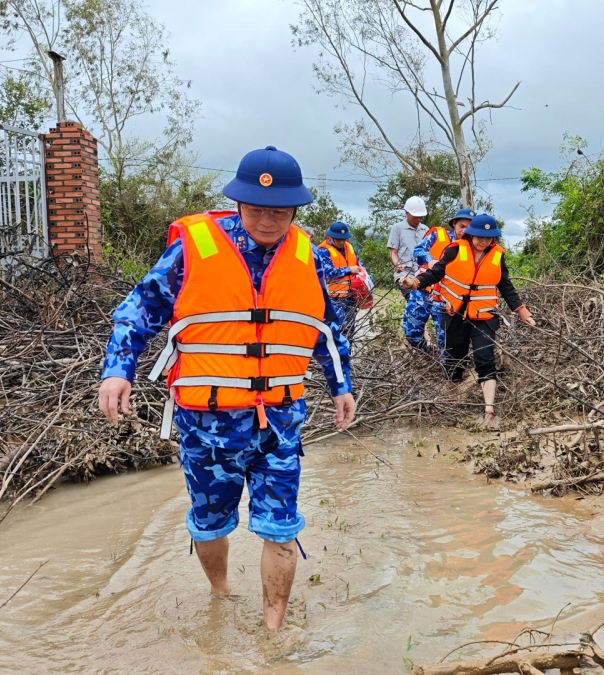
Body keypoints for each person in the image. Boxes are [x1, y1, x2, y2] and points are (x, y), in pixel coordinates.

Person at [97, 146, 357, 632]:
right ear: (237, 203)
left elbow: (325, 326)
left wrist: (340, 384)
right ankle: (220, 595)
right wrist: (118, 370)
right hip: (207, 425)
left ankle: (273, 636)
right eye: (256, 209)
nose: (267, 220)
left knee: (281, 528)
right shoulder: (192, 249)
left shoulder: (307, 256)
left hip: (279, 421)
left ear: (295, 209)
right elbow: (139, 310)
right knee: (210, 523)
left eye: (279, 211)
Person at [401, 214, 535, 426]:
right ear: (472, 235)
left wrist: (522, 311)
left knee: (484, 357)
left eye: (488, 238)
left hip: (484, 315)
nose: (483, 241)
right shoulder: (454, 250)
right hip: (454, 314)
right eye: (480, 236)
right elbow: (435, 274)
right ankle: (452, 398)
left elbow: (505, 286)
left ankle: (489, 410)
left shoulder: (497, 256)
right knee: (454, 360)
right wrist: (414, 282)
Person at [413, 208, 475, 356]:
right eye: (462, 226)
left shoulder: (472, 246)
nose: (464, 231)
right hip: (422, 290)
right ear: (454, 224)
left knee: (445, 338)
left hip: (444, 298)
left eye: (469, 228)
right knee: (412, 331)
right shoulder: (438, 235)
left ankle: (445, 371)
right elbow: (417, 251)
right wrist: (430, 260)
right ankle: (423, 356)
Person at [387, 196, 434, 351]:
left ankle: (410, 342)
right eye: (415, 217)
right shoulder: (397, 228)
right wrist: (397, 264)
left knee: (423, 306)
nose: (418, 219)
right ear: (406, 213)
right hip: (404, 276)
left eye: (420, 217)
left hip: (423, 276)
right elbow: (393, 253)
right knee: (416, 303)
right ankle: (420, 341)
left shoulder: (426, 230)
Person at [316, 220, 365, 338]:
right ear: (331, 237)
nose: (342, 242)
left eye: (344, 239)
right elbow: (327, 273)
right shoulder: (323, 251)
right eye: (339, 239)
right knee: (336, 331)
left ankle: (347, 356)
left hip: (351, 297)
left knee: (349, 331)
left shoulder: (349, 248)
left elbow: (360, 266)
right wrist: (348, 269)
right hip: (334, 299)